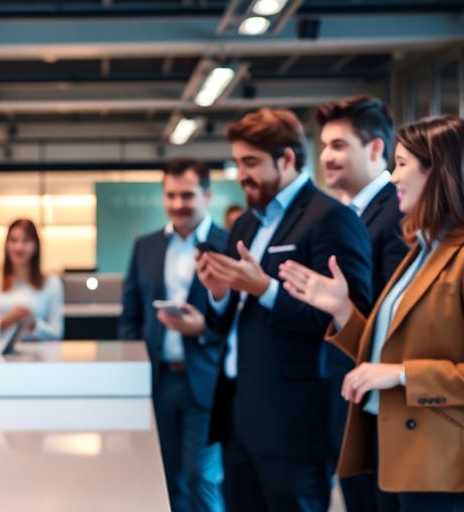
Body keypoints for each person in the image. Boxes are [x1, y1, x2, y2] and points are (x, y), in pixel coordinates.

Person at [278, 116, 464, 512]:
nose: (393, 175)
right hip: (395, 449)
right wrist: (342, 309)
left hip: (443, 461)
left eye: (401, 163)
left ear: (439, 172)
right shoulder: (422, 249)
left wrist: (402, 375)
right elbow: (388, 351)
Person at [196, 108, 373, 511]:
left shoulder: (331, 220)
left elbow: (348, 322)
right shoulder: (245, 226)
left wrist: (266, 289)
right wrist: (219, 293)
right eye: (238, 162)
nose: (241, 174)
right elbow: (228, 323)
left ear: (288, 159)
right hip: (240, 418)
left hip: (296, 425)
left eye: (252, 163)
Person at [119, 157, 229, 512]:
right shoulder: (146, 246)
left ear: (207, 195)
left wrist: (205, 329)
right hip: (159, 379)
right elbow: (130, 315)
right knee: (167, 476)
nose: (179, 204)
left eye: (187, 195)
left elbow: (240, 318)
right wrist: (133, 366)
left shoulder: (226, 245)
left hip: (207, 377)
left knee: (202, 476)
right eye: (171, 196)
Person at [317, 95, 408, 512]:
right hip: (353, 401)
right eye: (323, 146)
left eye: (338, 145)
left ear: (375, 149)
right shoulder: (349, 214)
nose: (326, 157)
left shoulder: (398, 213)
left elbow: (398, 320)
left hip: (386, 407)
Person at [0, 218, 64, 341]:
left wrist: (34, 324)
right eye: (13, 240)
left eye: (26, 241)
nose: (19, 246)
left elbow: (57, 333)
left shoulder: (52, 283)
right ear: (6, 244)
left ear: (36, 246)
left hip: (38, 355)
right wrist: (6, 321)